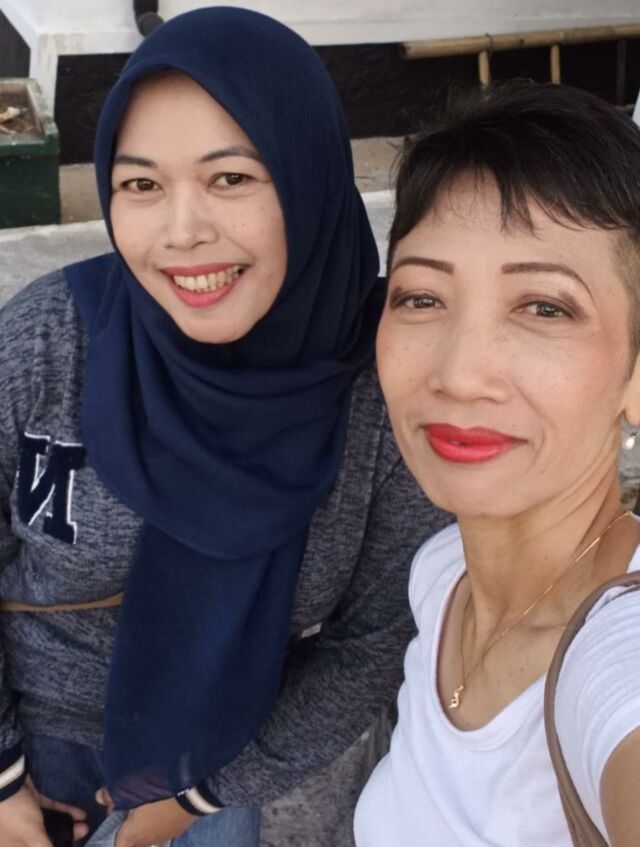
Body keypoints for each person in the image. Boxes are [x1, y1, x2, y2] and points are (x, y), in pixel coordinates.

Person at [0, 7, 447, 847]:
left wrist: (199, 798)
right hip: (31, 759)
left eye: (232, 178)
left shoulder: (379, 386)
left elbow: (376, 635)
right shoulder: (52, 342)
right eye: (141, 185)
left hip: (224, 758)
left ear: (309, 176)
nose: (182, 233)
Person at [354, 81, 640, 846]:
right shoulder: (442, 573)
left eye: (545, 306)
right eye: (421, 297)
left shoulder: (619, 663)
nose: (458, 374)